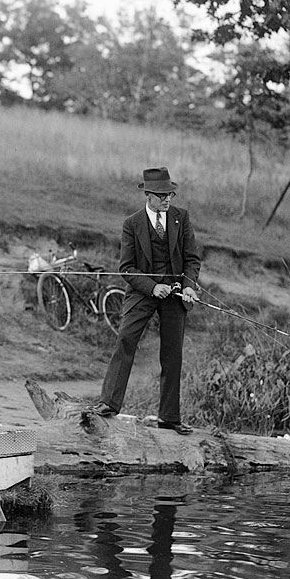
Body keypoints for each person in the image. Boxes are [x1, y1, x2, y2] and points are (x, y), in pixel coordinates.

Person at [94, 167, 201, 434]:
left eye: (171, 194)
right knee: (125, 340)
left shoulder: (181, 218)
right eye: (163, 195)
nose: (168, 200)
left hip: (176, 294)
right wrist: (153, 288)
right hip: (143, 293)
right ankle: (109, 403)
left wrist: (188, 287)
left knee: (172, 354)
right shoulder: (132, 224)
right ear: (149, 195)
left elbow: (192, 260)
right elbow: (127, 268)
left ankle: (169, 417)